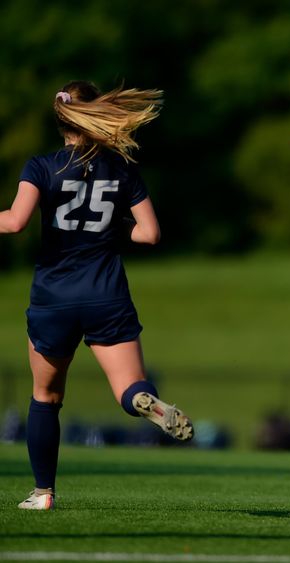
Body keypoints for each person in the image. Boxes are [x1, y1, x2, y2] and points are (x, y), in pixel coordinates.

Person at [1, 81, 194, 511]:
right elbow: (149, 233)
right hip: (106, 294)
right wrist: (109, 225)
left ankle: (43, 493)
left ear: (61, 121)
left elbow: (14, 222)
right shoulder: (122, 168)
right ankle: (143, 401)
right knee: (128, 388)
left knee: (45, 398)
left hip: (53, 297)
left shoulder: (42, 166)